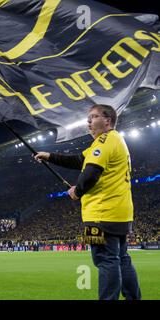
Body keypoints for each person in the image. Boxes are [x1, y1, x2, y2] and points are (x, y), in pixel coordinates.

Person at [34, 104, 141, 300]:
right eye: (88, 117)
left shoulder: (104, 141)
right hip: (120, 214)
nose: (88, 122)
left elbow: (91, 173)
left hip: (101, 214)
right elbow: (78, 160)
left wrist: (78, 191)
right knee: (122, 259)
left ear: (107, 120)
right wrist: (49, 156)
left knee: (105, 260)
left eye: (93, 117)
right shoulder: (114, 140)